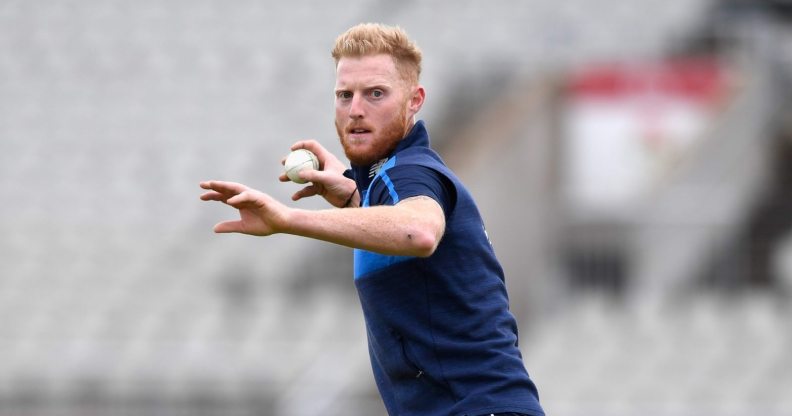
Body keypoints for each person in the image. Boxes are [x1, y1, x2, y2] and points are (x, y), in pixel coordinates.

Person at [200, 23, 544, 416]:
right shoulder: (388, 181)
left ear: (414, 100)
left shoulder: (410, 172)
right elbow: (404, 231)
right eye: (344, 95)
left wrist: (287, 219)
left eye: (375, 93)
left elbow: (418, 232)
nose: (356, 109)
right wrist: (355, 197)